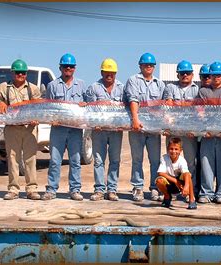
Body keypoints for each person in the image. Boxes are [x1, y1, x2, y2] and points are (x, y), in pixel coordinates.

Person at [0, 59, 41, 200]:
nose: (21, 75)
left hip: (29, 128)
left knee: (30, 159)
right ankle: (13, 189)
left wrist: (36, 119)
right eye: (18, 72)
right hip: (12, 128)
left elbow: (38, 106)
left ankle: (32, 189)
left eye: (23, 72)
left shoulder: (33, 89)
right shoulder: (3, 87)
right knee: (13, 159)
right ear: (12, 73)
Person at [42, 53, 87, 201]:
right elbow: (48, 106)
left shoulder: (81, 85)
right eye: (65, 66)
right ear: (60, 68)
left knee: (75, 160)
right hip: (58, 129)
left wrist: (84, 105)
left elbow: (87, 106)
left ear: (75, 68)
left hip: (75, 129)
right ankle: (51, 189)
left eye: (71, 66)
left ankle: (75, 190)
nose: (68, 68)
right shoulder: (52, 85)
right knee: (55, 160)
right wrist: (51, 120)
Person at [124, 52, 166, 201]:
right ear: (140, 66)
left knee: (155, 160)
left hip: (153, 130)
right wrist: (135, 119)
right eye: (145, 64)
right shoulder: (133, 80)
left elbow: (164, 106)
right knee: (137, 159)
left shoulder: (160, 84)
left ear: (154, 67)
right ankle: (137, 187)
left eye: (151, 65)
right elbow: (133, 100)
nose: (148, 67)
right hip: (137, 127)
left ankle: (154, 188)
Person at [85, 58, 124, 201]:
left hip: (115, 131)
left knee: (115, 160)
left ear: (115, 73)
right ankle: (99, 190)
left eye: (112, 73)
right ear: (102, 72)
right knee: (99, 161)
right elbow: (89, 108)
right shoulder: (94, 87)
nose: (109, 75)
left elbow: (127, 107)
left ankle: (112, 190)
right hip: (99, 130)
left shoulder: (122, 88)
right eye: (107, 72)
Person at [198, 61, 221, 204]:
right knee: (206, 163)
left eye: (219, 75)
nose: (216, 78)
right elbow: (200, 112)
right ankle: (206, 192)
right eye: (213, 75)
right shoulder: (203, 92)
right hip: (207, 134)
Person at [163, 60, 200, 201]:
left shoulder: (197, 89)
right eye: (182, 73)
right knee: (172, 163)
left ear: (192, 74)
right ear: (178, 74)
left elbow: (199, 111)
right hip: (174, 131)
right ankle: (172, 191)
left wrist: (179, 104)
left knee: (190, 163)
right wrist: (187, 104)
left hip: (190, 132)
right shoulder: (170, 87)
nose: (185, 75)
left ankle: (191, 190)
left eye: (188, 73)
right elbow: (168, 107)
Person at [156, 137, 197, 209]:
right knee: (159, 181)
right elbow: (160, 173)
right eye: (171, 149)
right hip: (170, 183)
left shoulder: (182, 160)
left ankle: (192, 199)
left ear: (180, 150)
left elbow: (186, 173)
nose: (173, 151)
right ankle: (167, 197)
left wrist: (186, 187)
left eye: (176, 149)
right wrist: (175, 181)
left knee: (188, 175)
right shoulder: (164, 158)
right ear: (168, 149)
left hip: (181, 185)